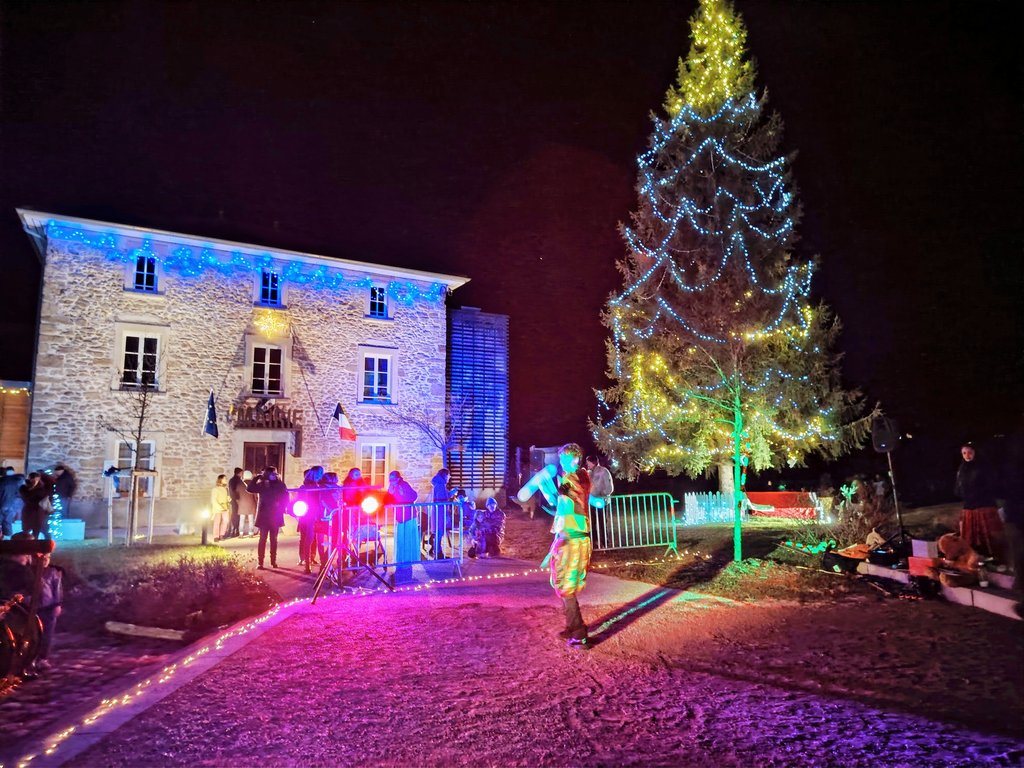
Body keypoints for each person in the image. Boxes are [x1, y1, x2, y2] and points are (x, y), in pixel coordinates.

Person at [518, 443, 593, 647]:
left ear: (575, 459)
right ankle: (572, 627)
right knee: (563, 584)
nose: (561, 463)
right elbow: (561, 503)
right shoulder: (578, 478)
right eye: (561, 459)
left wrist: (545, 485)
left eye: (565, 459)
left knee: (566, 586)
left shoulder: (574, 479)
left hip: (572, 539)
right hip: (572, 537)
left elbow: (563, 496)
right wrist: (547, 489)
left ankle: (579, 633)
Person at [954, 443, 1007, 563]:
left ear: (975, 453)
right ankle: (976, 559)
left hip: (984, 506)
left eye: (970, 452)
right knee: (970, 536)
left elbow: (991, 485)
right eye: (964, 453)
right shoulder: (962, 469)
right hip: (969, 507)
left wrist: (977, 493)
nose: (967, 455)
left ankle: (996, 559)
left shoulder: (984, 467)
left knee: (988, 536)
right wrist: (964, 493)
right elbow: (958, 488)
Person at [247, 466, 290, 570]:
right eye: (271, 473)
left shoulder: (280, 484)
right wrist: (257, 478)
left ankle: (273, 561)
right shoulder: (262, 484)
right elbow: (249, 488)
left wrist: (282, 507)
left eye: (274, 473)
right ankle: (260, 562)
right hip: (264, 516)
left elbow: (286, 497)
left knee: (274, 540)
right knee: (262, 539)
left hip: (275, 515)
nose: (273, 475)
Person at [294, 466, 325, 573]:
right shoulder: (307, 487)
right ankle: (308, 564)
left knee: (318, 540)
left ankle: (319, 564)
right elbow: (301, 500)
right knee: (309, 539)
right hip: (310, 515)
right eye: (321, 473)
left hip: (316, 515)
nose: (322, 475)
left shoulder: (319, 486)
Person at [585, 455, 614, 546]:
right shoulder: (588, 473)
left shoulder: (603, 471)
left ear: (593, 462)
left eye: (588, 463)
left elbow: (608, 486)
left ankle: (604, 541)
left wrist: (603, 494)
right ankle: (594, 541)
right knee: (592, 522)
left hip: (601, 501)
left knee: (602, 522)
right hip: (591, 500)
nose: (587, 464)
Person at [19, 473, 55, 540]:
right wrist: (33, 487)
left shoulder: (43, 488)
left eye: (37, 479)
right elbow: (26, 498)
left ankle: (47, 543)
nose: (35, 481)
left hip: (40, 511)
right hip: (29, 511)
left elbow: (46, 495)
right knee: (27, 530)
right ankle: (29, 543)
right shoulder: (23, 488)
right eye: (33, 479)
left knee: (42, 529)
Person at [0, 466, 26, 539]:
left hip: (1, 505)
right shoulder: (15, 481)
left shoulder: (1, 482)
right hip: (11, 505)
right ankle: (7, 540)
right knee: (7, 523)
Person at [237, 470, 258, 536]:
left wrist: (238, 502)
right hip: (251, 503)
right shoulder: (253, 485)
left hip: (242, 504)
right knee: (251, 519)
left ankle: (241, 533)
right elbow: (255, 495)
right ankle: (251, 533)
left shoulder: (239, 485)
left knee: (242, 519)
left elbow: (237, 495)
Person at [210, 475, 230, 542]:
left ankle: (221, 534)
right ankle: (216, 536)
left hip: (225, 507)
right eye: (225, 479)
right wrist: (218, 506)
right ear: (220, 480)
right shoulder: (215, 489)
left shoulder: (225, 489)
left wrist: (228, 499)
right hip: (218, 508)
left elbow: (225, 497)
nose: (226, 480)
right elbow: (214, 499)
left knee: (226, 521)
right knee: (217, 522)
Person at [226, 467, 245, 538]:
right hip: (237, 500)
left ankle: (233, 529)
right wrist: (237, 498)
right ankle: (235, 529)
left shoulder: (231, 480)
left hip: (233, 500)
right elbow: (237, 490)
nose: (242, 474)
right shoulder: (238, 481)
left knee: (234, 514)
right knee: (237, 515)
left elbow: (231, 490)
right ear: (239, 473)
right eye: (241, 473)